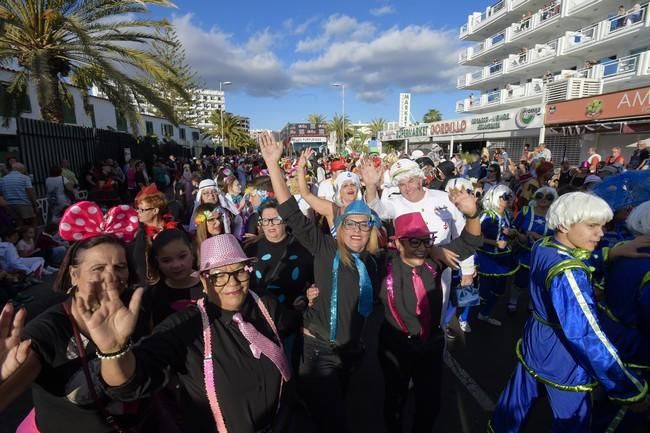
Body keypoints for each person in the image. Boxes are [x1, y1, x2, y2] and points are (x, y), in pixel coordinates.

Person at [259, 133, 480, 433]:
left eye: (365, 225)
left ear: (373, 231)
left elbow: (466, 243)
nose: (358, 230)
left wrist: (464, 222)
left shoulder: (379, 262)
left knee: (344, 405)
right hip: (318, 348)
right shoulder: (324, 248)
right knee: (331, 418)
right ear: (340, 227)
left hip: (353, 351)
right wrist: (273, 163)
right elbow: (291, 213)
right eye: (351, 223)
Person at [71, 234, 313, 433]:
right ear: (204, 282)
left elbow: (293, 322)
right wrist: (114, 350)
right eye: (218, 276)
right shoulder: (187, 325)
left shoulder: (264, 305)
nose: (233, 283)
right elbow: (130, 383)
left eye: (239, 271)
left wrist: (311, 302)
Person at [489, 192, 650, 433]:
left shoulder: (544, 244)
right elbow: (586, 335)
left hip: (536, 341)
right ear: (565, 224)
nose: (601, 233)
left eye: (603, 226)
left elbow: (567, 256)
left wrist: (610, 253)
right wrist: (628, 387)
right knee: (573, 422)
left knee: (513, 407)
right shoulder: (569, 272)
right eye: (592, 226)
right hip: (564, 359)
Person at [0, 203, 155, 432]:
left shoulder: (136, 309)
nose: (111, 276)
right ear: (74, 275)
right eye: (98, 268)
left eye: (120, 266)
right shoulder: (47, 331)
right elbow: (8, 392)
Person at [378, 210, 481, 433]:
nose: (421, 247)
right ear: (399, 243)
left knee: (430, 404)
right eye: (414, 241)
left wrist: (473, 214)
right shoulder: (384, 265)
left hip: (430, 345)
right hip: (396, 346)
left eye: (426, 241)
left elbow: (471, 241)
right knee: (395, 400)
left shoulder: (435, 262)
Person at [244, 199, 314, 310]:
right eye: (266, 220)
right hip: (261, 312)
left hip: (293, 312)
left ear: (285, 221)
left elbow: (313, 279)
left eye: (276, 219)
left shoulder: (301, 246)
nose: (270, 224)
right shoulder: (251, 248)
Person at [475, 185, 518, 326]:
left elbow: (508, 232)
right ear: (495, 197)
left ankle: (485, 314)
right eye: (505, 196)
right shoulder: (487, 215)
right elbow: (474, 237)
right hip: (486, 257)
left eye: (510, 196)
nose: (509, 199)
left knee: (499, 290)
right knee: (483, 292)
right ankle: (464, 318)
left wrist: (511, 233)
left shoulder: (506, 214)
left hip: (503, 258)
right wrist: (494, 243)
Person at [509, 187, 557, 313]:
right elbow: (514, 227)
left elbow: (558, 238)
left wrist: (537, 237)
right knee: (520, 280)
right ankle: (513, 301)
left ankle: (532, 304)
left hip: (543, 255)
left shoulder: (555, 217)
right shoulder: (526, 211)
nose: (543, 199)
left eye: (549, 197)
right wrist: (519, 235)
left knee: (538, 281)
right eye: (540, 196)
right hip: (523, 252)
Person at [143, 228, 203, 327]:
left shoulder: (209, 285)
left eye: (182, 256)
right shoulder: (153, 294)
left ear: (191, 252)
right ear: (157, 262)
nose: (176, 265)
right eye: (166, 261)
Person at [297, 148, 360, 237]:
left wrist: (370, 185)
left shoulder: (364, 211)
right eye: (345, 186)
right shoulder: (332, 209)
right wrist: (300, 170)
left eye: (353, 185)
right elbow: (306, 195)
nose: (350, 188)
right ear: (338, 191)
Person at [132, 185, 179, 284]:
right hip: (155, 284)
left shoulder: (176, 228)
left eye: (142, 209)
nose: (138, 212)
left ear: (155, 211)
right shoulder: (142, 236)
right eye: (138, 209)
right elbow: (141, 267)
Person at [0, 162, 38, 226]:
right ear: (21, 169)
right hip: (24, 203)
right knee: (33, 221)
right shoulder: (25, 178)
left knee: (18, 223)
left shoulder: (3, 179)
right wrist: (35, 205)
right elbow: (30, 192)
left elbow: (1, 193)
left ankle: (20, 234)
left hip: (10, 205)